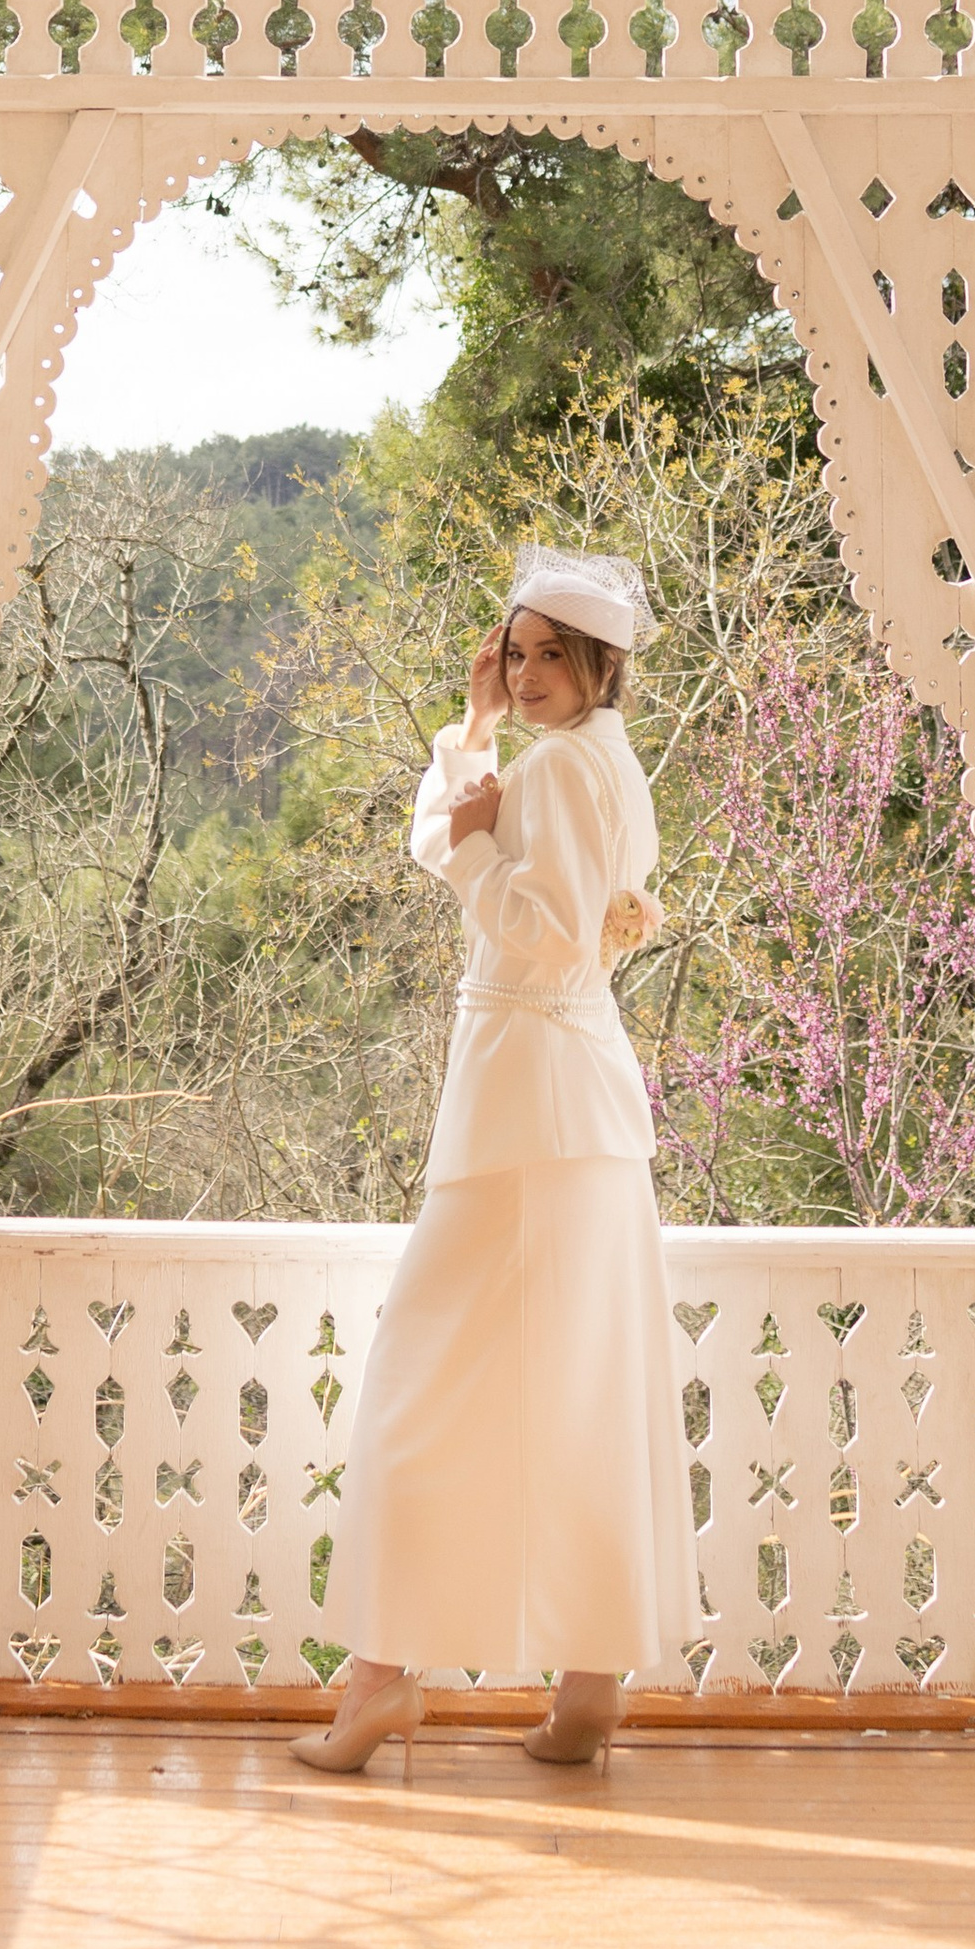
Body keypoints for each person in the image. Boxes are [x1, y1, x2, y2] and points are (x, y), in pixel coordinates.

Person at [292, 546, 700, 1777]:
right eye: (513, 652)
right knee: (583, 1382)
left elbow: (547, 928)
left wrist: (476, 845)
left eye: (547, 656)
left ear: (597, 665)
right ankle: (586, 1687)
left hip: (529, 1106)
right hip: (571, 1107)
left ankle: (379, 1687)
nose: (524, 674)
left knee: (421, 1375)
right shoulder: (600, 763)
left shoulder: (564, 771)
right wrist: (469, 734)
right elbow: (453, 835)